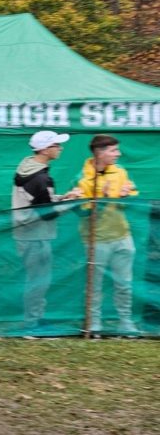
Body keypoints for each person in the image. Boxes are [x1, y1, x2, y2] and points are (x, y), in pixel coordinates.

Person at [12, 131, 81, 331]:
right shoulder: (41, 178)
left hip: (26, 233)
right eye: (56, 145)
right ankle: (32, 323)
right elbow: (48, 213)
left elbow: (40, 202)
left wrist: (62, 198)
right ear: (44, 149)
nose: (60, 148)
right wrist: (73, 203)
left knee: (37, 279)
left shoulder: (26, 167)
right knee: (39, 281)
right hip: (35, 235)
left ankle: (36, 318)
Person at [77, 134, 139, 335]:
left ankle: (126, 323)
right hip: (96, 241)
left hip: (123, 237)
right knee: (94, 286)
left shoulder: (120, 172)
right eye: (114, 150)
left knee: (124, 283)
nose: (118, 154)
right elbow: (81, 212)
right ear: (99, 153)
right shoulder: (82, 179)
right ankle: (94, 325)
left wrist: (125, 195)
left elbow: (125, 202)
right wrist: (101, 199)